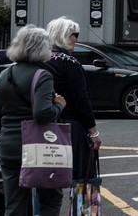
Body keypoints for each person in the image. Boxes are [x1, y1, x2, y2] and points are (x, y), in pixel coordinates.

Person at [0, 25, 67, 216]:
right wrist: (59, 105)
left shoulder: (3, 76)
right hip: (37, 148)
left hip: (9, 146)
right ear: (41, 49)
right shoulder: (42, 76)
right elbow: (42, 113)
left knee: (15, 204)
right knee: (50, 199)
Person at [45, 17, 102, 182]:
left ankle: (44, 209)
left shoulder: (44, 61)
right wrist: (93, 132)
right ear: (64, 35)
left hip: (47, 125)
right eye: (75, 34)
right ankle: (82, 208)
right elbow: (81, 100)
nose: (77, 39)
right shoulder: (70, 63)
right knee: (82, 176)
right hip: (72, 126)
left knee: (46, 179)